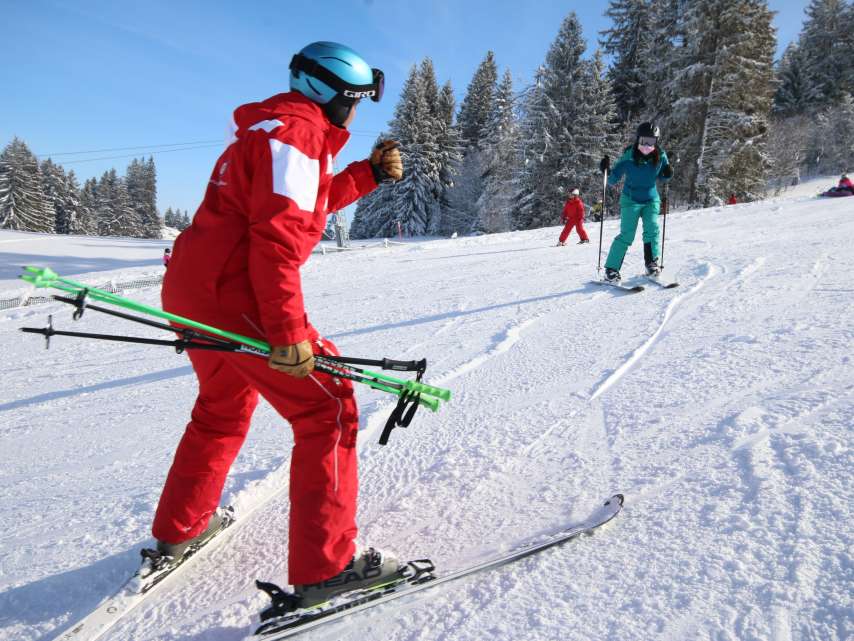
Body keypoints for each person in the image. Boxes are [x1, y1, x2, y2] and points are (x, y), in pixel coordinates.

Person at [152, 41, 405, 609]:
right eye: (355, 100)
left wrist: (364, 175)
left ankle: (181, 529)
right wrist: (288, 332)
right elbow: (277, 239)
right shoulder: (297, 135)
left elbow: (300, 205)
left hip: (192, 289)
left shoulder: (270, 129)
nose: (357, 112)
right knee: (328, 406)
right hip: (235, 293)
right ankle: (326, 567)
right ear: (334, 96)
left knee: (222, 406)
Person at [599, 122, 673, 282]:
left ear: (656, 142)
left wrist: (668, 172)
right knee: (627, 235)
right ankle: (611, 270)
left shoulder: (661, 155)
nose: (647, 145)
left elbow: (663, 176)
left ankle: (651, 264)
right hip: (630, 200)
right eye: (644, 141)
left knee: (652, 230)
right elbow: (612, 179)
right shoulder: (629, 155)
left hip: (651, 199)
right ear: (638, 139)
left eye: (651, 142)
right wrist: (606, 170)